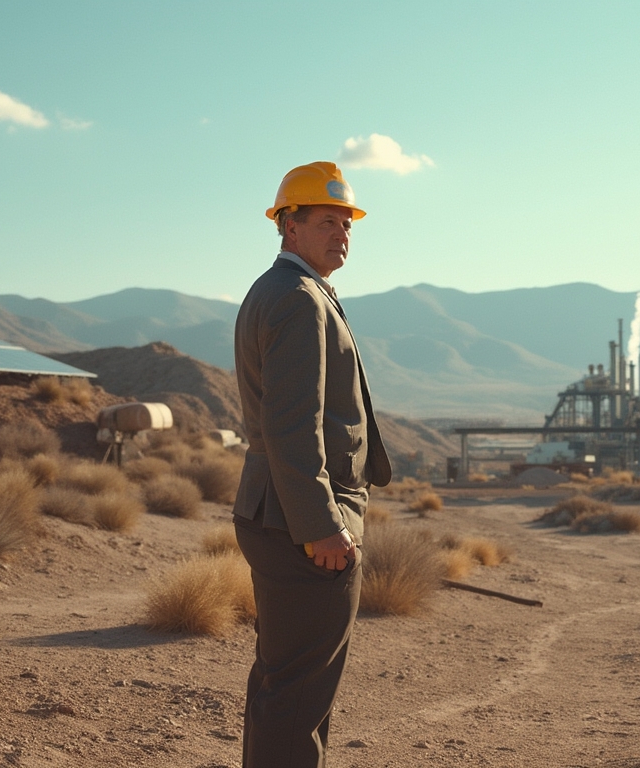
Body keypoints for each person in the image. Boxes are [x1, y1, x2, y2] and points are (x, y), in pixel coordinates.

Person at [231, 161, 391, 767]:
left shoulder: (283, 290)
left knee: (283, 686)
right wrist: (322, 524)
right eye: (327, 221)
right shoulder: (298, 300)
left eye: (347, 223)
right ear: (287, 226)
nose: (342, 233)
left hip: (274, 512)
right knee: (298, 697)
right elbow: (290, 426)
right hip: (302, 524)